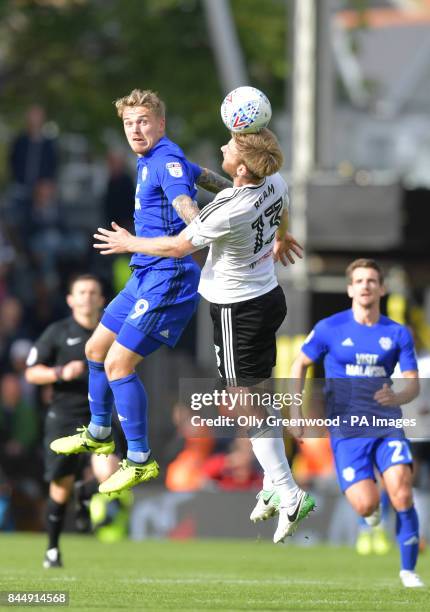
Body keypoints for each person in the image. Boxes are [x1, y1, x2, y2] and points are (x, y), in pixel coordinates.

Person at [91, 127, 315, 543]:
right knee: (257, 397)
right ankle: (273, 481)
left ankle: (288, 491)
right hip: (268, 296)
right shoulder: (275, 181)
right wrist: (281, 235)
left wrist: (128, 242)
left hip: (237, 311)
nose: (222, 148)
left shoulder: (227, 209)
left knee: (240, 402)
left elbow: (178, 247)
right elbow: (278, 206)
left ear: (243, 168)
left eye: (230, 147)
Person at [50, 89, 232, 495]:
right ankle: (99, 431)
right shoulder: (158, 157)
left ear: (160, 124)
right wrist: (233, 190)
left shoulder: (163, 160)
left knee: (118, 364)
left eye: (144, 121)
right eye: (129, 123)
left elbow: (187, 205)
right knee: (95, 349)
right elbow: (198, 172)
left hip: (168, 275)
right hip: (144, 274)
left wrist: (199, 227)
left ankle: (138, 458)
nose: (136, 129)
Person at [290, 258, 424, 588]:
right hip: (347, 432)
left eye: (371, 280)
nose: (365, 285)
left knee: (403, 494)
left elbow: (412, 383)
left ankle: (408, 571)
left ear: (381, 288)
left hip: (386, 426)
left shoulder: (396, 333)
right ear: (350, 288)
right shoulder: (329, 328)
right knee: (366, 504)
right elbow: (299, 364)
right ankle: (372, 514)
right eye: (359, 280)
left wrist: (399, 397)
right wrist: (295, 411)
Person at [25, 274, 123, 569]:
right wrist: (59, 373)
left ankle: (89, 492)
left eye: (93, 292)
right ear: (70, 299)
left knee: (111, 473)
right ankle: (53, 549)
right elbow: (31, 373)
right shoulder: (57, 332)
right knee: (60, 488)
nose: (88, 297)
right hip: (64, 416)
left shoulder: (113, 332)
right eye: (81, 292)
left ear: (101, 300)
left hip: (99, 414)